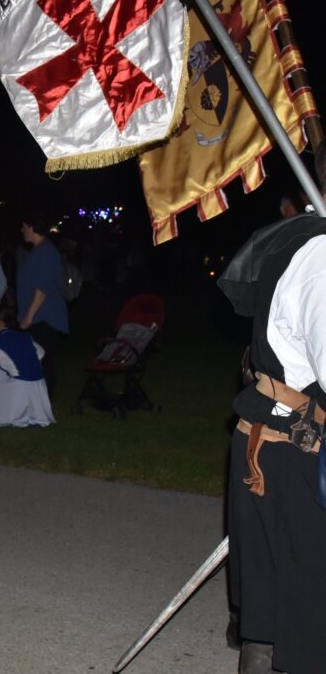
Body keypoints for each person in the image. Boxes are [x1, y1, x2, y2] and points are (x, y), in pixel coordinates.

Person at [219, 148, 326, 674]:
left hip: (275, 439)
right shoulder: (322, 257)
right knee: (299, 615)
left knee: (280, 612)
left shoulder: (306, 242)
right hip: (291, 448)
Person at [0, 304, 54, 427]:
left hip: (22, 388)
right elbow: (41, 352)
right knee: (1, 371)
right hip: (39, 386)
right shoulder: (25, 335)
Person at [17, 214, 69, 397]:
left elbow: (43, 288)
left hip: (45, 317)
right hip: (38, 318)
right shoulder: (38, 251)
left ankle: (43, 401)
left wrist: (29, 316)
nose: (22, 230)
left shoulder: (46, 251)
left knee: (42, 360)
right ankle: (37, 399)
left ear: (32, 227)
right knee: (36, 360)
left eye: (24, 227)